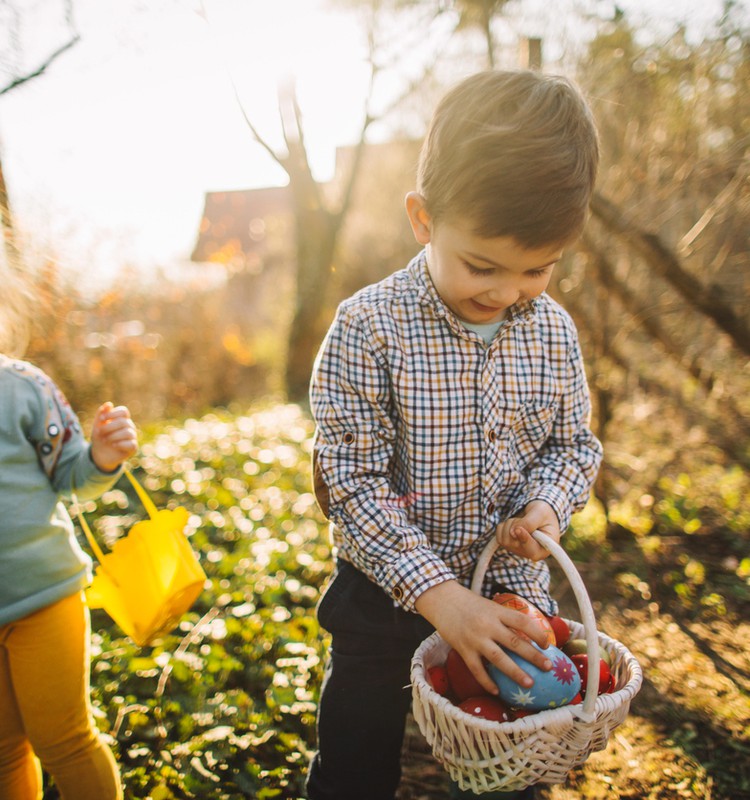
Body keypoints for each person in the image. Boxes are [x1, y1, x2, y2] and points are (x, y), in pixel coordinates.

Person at [306, 69, 603, 800]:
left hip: (508, 597)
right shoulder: (369, 329)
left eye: (536, 269)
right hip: (385, 595)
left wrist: (544, 509)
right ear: (423, 218)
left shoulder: (554, 334)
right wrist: (438, 596)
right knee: (354, 760)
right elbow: (349, 482)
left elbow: (572, 447)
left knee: (512, 766)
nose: (506, 293)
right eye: (482, 266)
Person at [0, 267, 137, 800]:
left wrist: (100, 456)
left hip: (45, 597)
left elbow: (70, 473)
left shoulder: (22, 388)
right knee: (5, 752)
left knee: (65, 740)